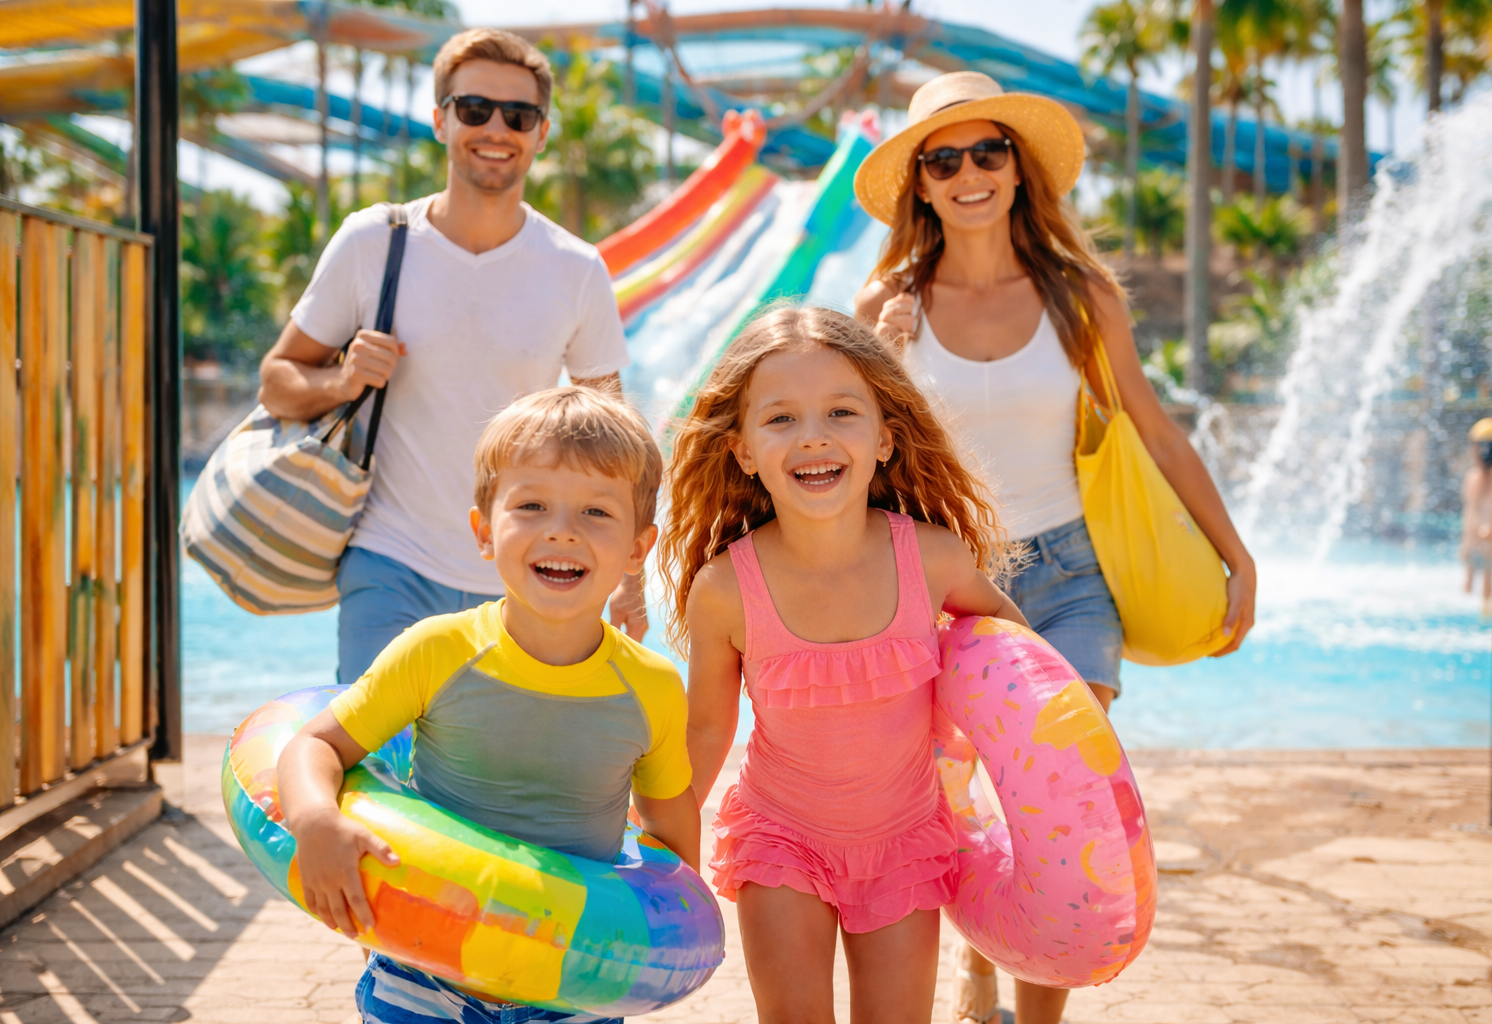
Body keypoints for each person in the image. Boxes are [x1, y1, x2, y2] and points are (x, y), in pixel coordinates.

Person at [852, 71, 1257, 1024]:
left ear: (1018, 168)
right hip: (946, 580)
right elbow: (850, 442)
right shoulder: (889, 302)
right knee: (951, 791)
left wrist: (1234, 552)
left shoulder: (1078, 295)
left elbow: (1153, 427)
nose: (968, 174)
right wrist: (881, 348)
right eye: (943, 160)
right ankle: (981, 956)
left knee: (1061, 804)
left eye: (987, 152)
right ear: (921, 184)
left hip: (1070, 576)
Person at [275, 387, 698, 1024]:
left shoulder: (652, 687)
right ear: (483, 531)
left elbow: (673, 839)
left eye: (595, 513)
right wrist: (313, 819)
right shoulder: (437, 652)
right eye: (531, 506)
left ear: (639, 549)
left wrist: (666, 945)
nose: (562, 530)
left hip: (574, 987)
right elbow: (314, 746)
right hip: (424, 973)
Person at [665, 305, 1029, 1024]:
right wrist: (663, 852)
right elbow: (705, 735)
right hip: (781, 842)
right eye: (781, 420)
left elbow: (1017, 675)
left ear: (886, 439)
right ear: (741, 451)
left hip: (906, 843)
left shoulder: (930, 558)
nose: (814, 438)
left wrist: (1042, 797)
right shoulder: (727, 590)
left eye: (840, 412)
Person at [258, 28, 647, 685]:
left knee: (498, 779)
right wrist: (342, 379)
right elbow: (276, 381)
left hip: (527, 575)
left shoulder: (576, 269)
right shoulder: (373, 242)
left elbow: (616, 440)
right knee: (376, 762)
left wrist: (628, 575)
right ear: (440, 120)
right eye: (474, 109)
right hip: (390, 561)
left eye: (518, 115)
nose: (496, 128)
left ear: (541, 134)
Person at [1462, 417, 1492, 615]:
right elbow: (1470, 512)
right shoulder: (1473, 477)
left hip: (1490, 540)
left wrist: (1489, 531)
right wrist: (1466, 542)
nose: (1473, 451)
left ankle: (1487, 608)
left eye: (1476, 446)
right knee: (1469, 582)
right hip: (1476, 539)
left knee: (1488, 579)